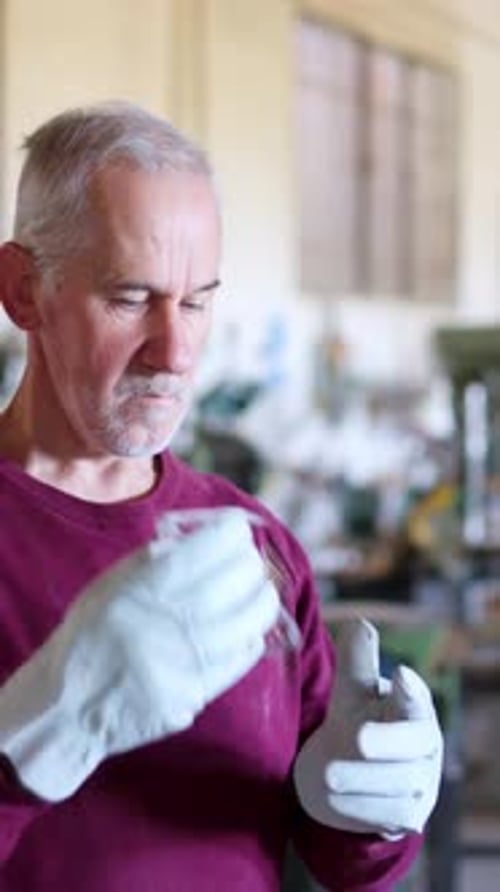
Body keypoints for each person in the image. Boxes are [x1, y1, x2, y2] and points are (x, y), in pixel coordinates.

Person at [0, 101, 442, 891]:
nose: (174, 353)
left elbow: (335, 860)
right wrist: (29, 741)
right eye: (131, 298)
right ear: (24, 290)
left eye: (197, 300)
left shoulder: (253, 545)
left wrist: (369, 816)